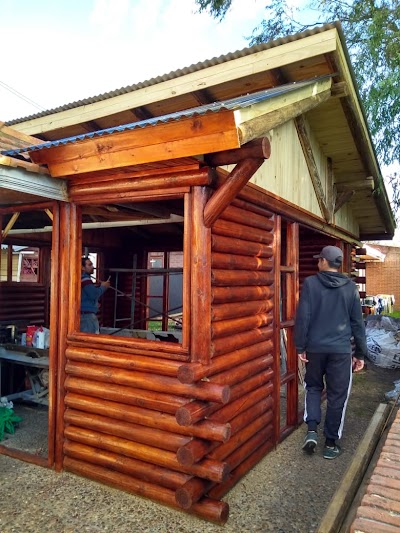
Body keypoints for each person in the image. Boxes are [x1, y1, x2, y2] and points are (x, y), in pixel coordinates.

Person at [294, 245, 367, 460]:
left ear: (325, 262)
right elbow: (357, 323)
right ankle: (331, 443)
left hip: (315, 349)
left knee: (313, 387)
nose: (317, 262)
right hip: (340, 352)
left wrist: (301, 346)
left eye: (319, 259)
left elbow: (303, 317)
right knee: (337, 396)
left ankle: (312, 431)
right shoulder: (350, 288)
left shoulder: (310, 284)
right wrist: (360, 354)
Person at [80, 257, 110, 333]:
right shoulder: (85, 280)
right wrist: (103, 286)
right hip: (87, 316)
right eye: (89, 265)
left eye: (92, 264)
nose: (92, 267)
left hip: (85, 314)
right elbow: (94, 294)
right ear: (82, 267)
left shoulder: (82, 279)